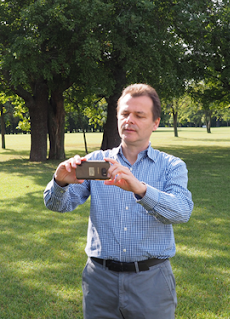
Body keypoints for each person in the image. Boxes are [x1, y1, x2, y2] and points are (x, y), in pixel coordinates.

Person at [44, 83, 194, 319]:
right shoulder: (97, 163)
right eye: (124, 114)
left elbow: (181, 211)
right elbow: (56, 205)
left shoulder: (171, 166)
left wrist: (140, 189)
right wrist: (61, 183)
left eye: (139, 115)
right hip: (100, 282)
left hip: (151, 281)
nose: (129, 120)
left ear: (155, 123)